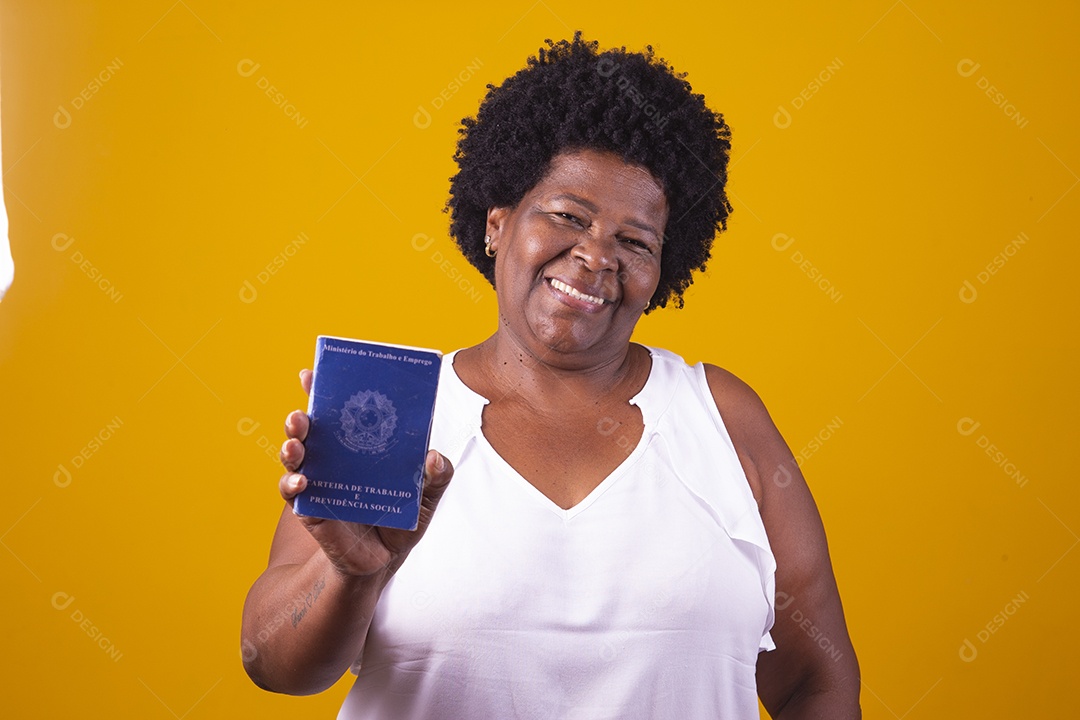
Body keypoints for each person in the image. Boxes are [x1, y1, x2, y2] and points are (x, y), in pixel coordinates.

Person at [241, 33, 860, 719]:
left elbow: (816, 681)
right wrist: (350, 576)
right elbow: (269, 662)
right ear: (498, 224)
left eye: (635, 241)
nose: (596, 257)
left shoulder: (720, 418)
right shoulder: (396, 410)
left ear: (664, 269)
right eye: (568, 216)